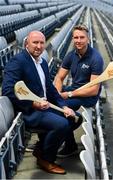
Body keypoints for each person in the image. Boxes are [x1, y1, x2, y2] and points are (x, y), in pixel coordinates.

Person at [2, 31, 82, 174]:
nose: (39, 46)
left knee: (75, 118)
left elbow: (50, 89)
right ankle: (46, 159)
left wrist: (64, 106)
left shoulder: (43, 62)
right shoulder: (18, 61)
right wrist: (33, 104)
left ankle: (41, 147)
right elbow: (8, 90)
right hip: (28, 111)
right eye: (35, 42)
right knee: (61, 124)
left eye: (41, 43)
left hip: (44, 107)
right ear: (27, 43)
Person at [54, 25, 104, 157]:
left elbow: (93, 90)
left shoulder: (96, 58)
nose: (78, 40)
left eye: (82, 37)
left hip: (86, 95)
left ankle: (70, 146)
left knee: (59, 110)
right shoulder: (72, 55)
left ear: (87, 39)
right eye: (76, 37)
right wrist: (58, 94)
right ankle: (49, 140)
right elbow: (59, 77)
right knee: (48, 101)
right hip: (74, 89)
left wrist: (68, 95)